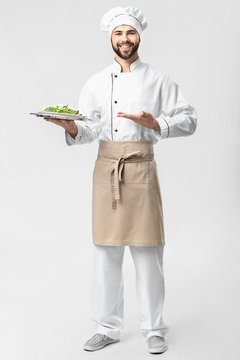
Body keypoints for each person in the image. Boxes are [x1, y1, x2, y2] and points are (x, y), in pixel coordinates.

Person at [43, 5, 197, 355]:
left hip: (141, 167)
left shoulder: (159, 80)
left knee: (148, 253)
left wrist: (155, 123)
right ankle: (107, 327)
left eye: (129, 33)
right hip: (106, 169)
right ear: (110, 38)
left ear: (139, 35)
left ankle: (154, 328)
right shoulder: (96, 82)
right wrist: (71, 127)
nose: (124, 39)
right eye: (118, 33)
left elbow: (189, 119)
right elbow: (89, 129)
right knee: (105, 254)